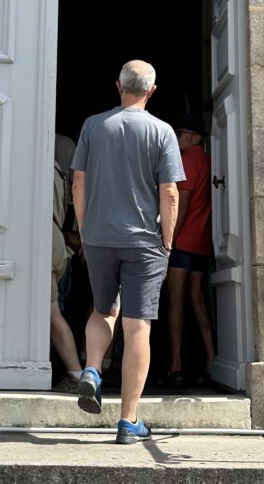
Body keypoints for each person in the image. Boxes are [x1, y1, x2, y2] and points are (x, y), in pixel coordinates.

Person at [71, 59, 184, 444]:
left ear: (117, 86)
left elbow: (78, 184)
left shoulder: (93, 126)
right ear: (152, 91)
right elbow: (169, 193)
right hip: (143, 242)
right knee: (137, 326)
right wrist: (167, 240)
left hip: (100, 236)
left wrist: (85, 232)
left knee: (104, 309)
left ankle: (91, 368)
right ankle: (128, 420)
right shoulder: (162, 132)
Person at [165, 114, 215, 387]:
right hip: (202, 242)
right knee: (197, 301)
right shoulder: (207, 159)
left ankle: (175, 365)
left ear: (195, 137)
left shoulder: (187, 160)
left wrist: (167, 239)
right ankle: (211, 358)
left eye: (181, 131)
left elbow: (180, 206)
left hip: (183, 241)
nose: (176, 134)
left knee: (175, 301)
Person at [50, 158, 83, 390]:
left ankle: (75, 373)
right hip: (56, 241)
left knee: (50, 313)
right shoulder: (59, 172)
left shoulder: (39, 166)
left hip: (45, 240)